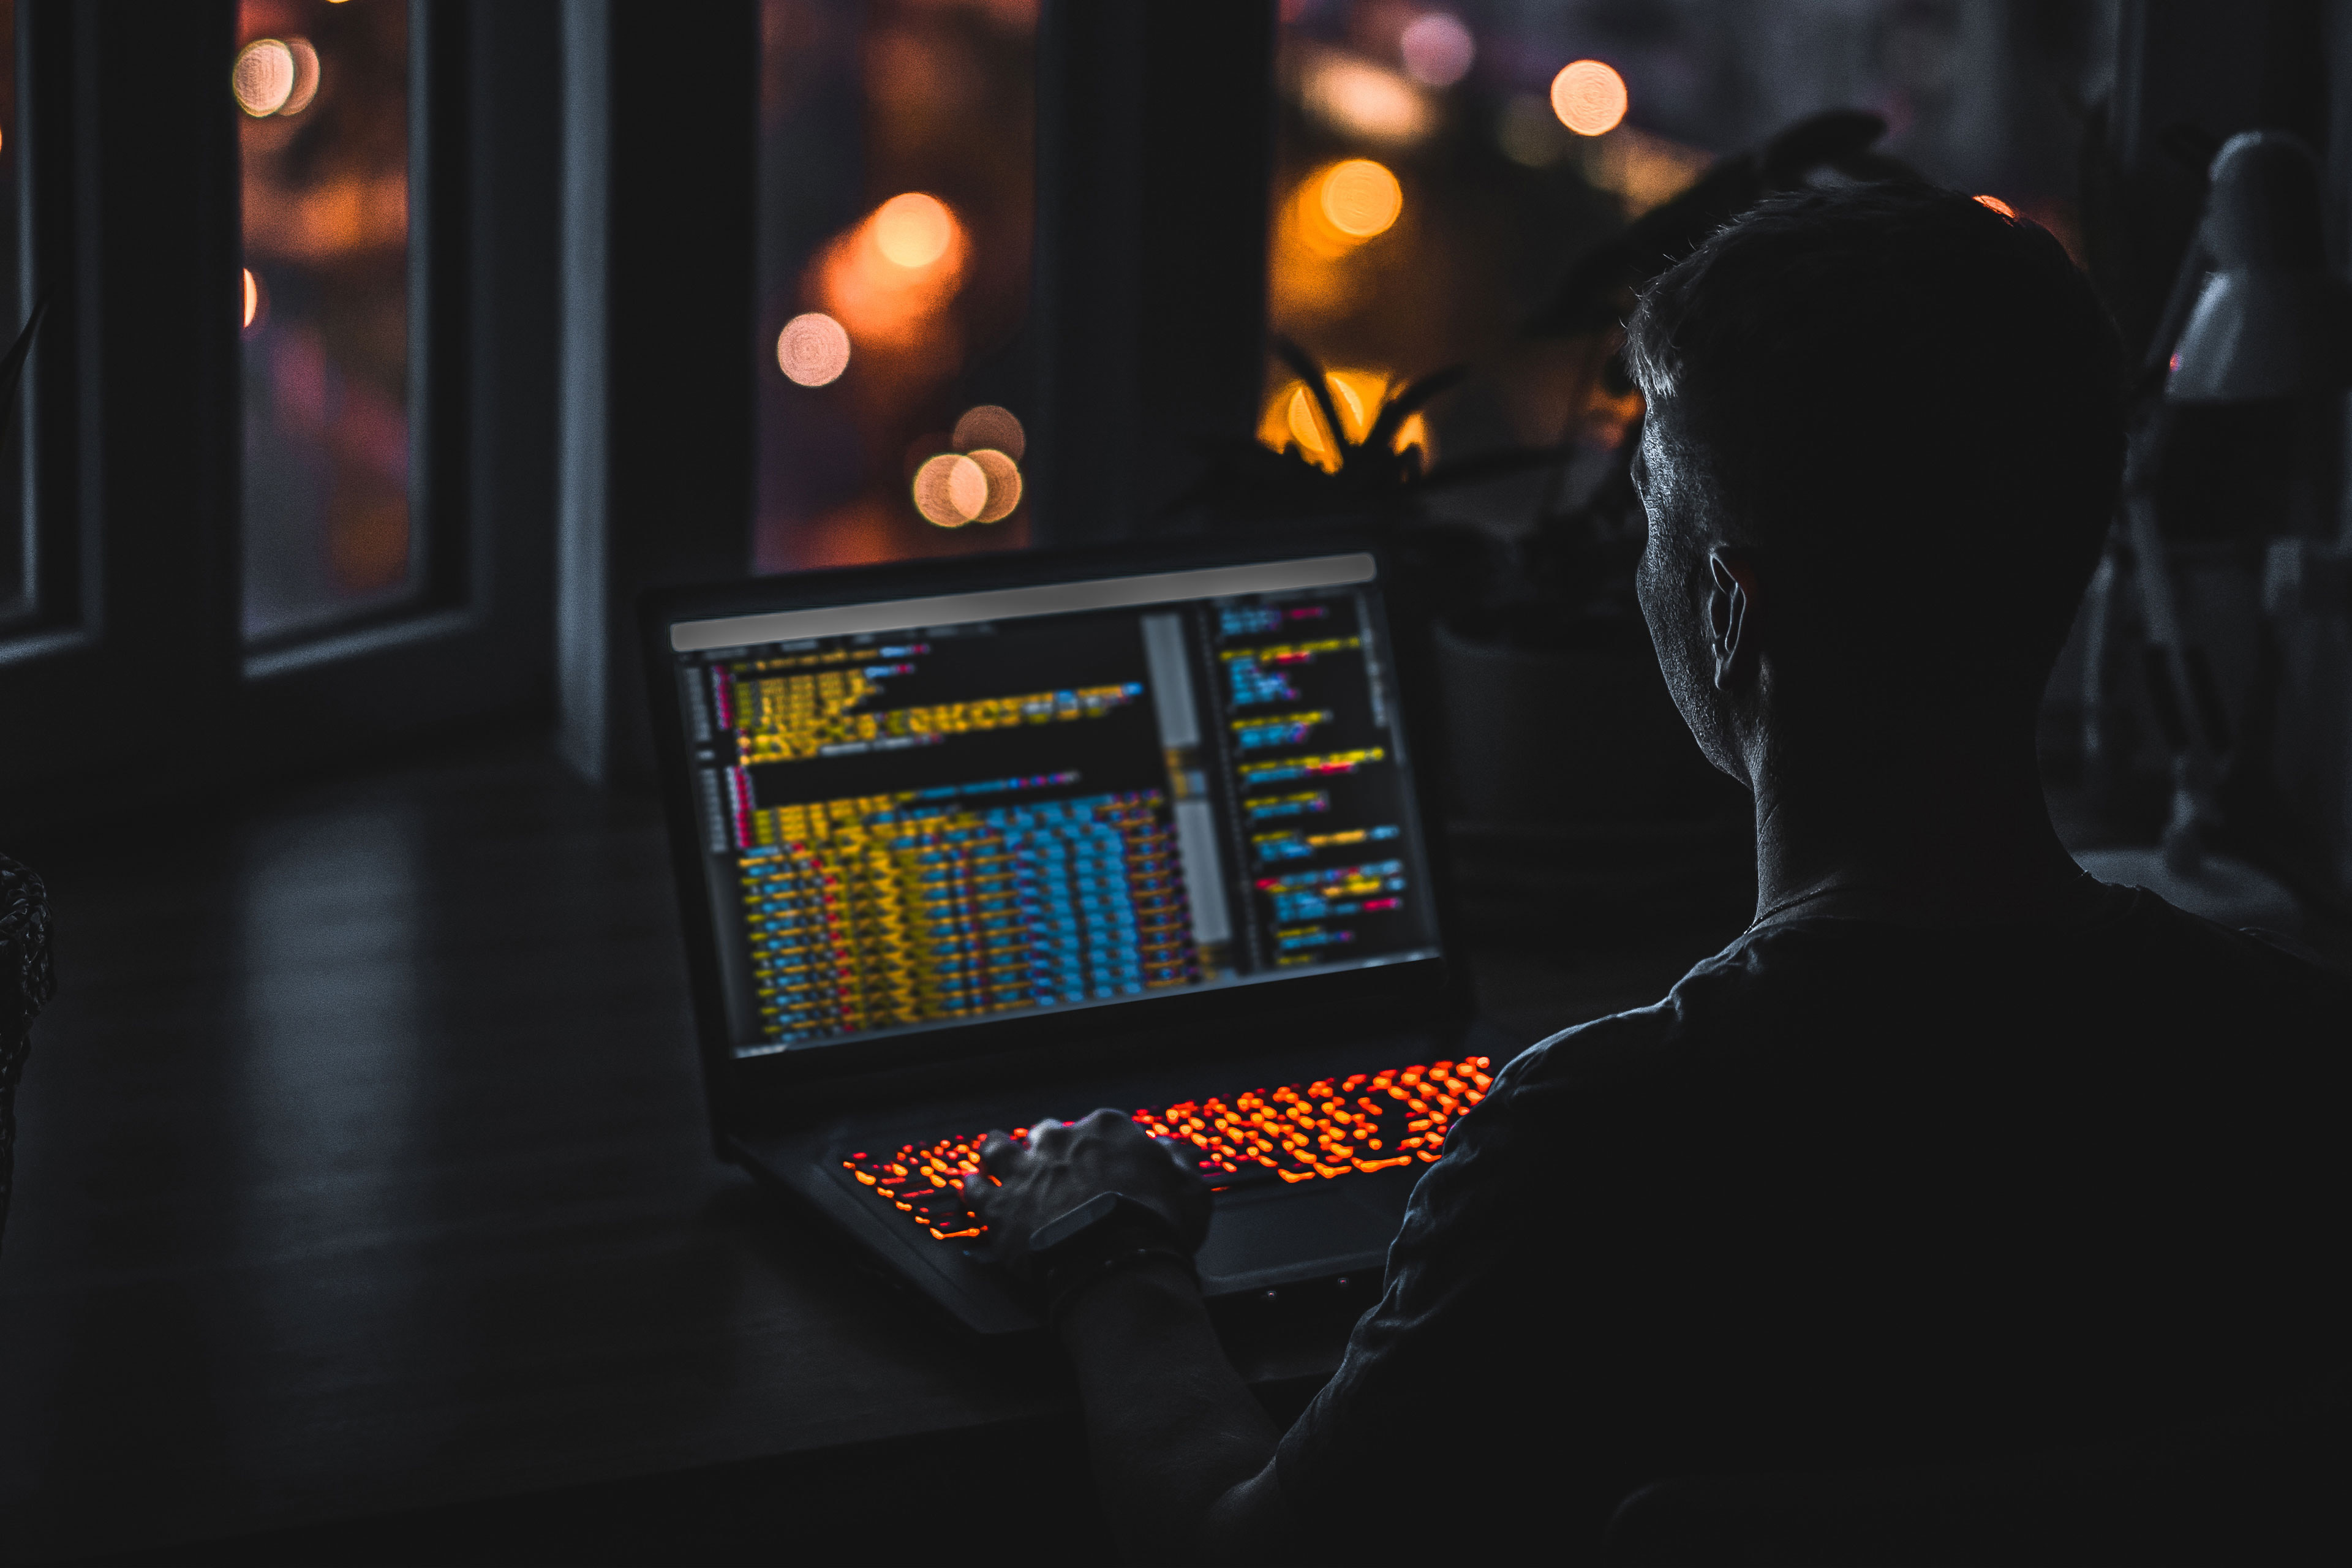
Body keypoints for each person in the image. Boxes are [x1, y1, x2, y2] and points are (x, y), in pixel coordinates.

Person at [958, 181, 2352, 1564]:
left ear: (1727, 608)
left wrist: (1103, 1243)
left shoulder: (1591, 1144)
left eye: (1648, 511)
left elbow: (1231, 1552)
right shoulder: (2295, 1052)